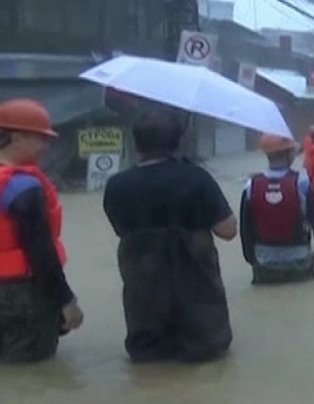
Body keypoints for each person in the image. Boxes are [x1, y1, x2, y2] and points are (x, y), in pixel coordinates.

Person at [102, 108, 237, 363]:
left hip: (145, 312)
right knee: (208, 360)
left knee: (149, 363)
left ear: (137, 145)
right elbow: (228, 231)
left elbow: (120, 229)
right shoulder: (196, 177)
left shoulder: (117, 184)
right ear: (177, 143)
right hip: (201, 325)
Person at [0, 99, 83, 363]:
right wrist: (66, 300)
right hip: (19, 293)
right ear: (15, 138)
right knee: (30, 367)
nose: (45, 147)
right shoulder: (22, 188)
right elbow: (40, 251)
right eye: (40, 139)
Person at [240, 135, 314, 285]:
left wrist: (252, 260)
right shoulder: (302, 183)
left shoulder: (250, 186)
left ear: (267, 155)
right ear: (289, 154)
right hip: (300, 260)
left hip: (264, 262)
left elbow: (245, 229)